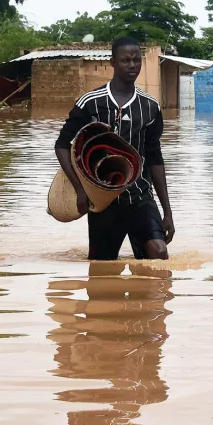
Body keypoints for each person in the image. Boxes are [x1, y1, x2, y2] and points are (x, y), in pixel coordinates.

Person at [54, 36, 174, 261]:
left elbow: (155, 158)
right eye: (125, 60)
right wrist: (79, 189)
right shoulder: (90, 102)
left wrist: (167, 212)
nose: (132, 65)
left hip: (140, 196)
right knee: (101, 270)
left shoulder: (150, 106)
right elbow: (61, 146)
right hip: (103, 202)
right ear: (112, 63)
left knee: (159, 252)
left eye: (136, 60)